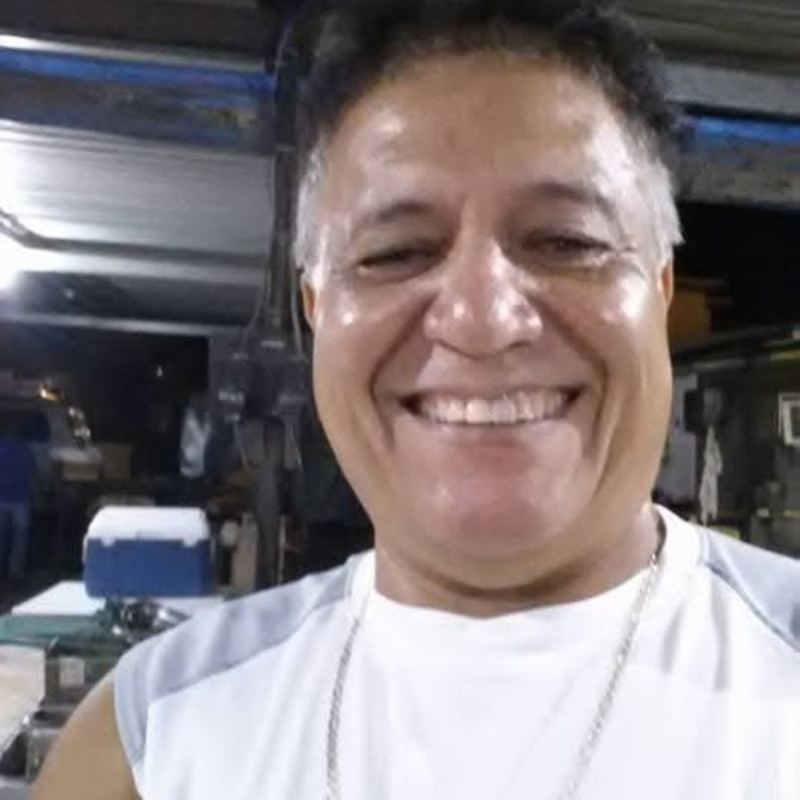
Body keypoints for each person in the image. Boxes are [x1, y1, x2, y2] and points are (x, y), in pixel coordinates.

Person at [34, 2, 799, 798]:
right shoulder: (147, 745)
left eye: (566, 241)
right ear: (316, 308)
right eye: (397, 252)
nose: (481, 319)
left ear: (659, 291)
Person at [0, 434, 37, 580]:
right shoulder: (26, 450)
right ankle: (16, 575)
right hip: (21, 499)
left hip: (1, 498)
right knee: (19, 540)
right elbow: (33, 473)